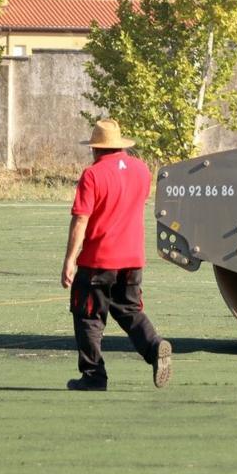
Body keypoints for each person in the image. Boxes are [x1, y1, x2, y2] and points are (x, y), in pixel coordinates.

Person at [60, 118, 171, 391]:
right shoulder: (141, 170)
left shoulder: (93, 174)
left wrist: (70, 260)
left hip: (98, 259)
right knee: (129, 309)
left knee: (88, 315)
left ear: (96, 148)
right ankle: (154, 346)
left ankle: (93, 376)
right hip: (133, 257)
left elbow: (81, 220)